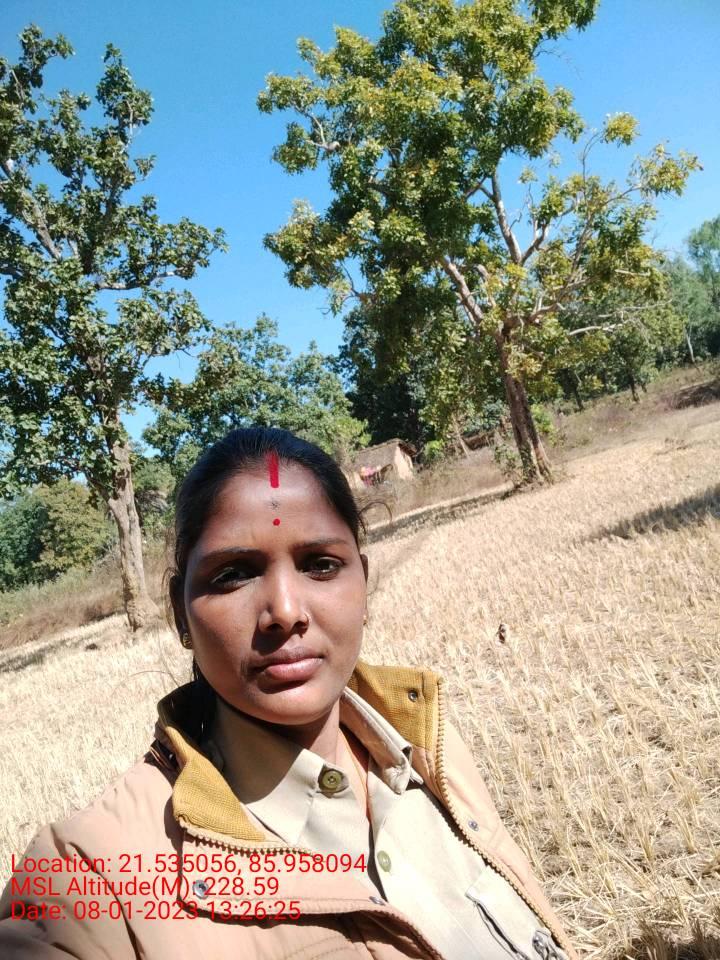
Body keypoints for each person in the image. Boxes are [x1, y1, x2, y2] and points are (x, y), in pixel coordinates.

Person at [0, 427, 577, 959]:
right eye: (234, 574)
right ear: (179, 613)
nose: (285, 611)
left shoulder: (427, 746)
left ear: (363, 582)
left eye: (320, 564)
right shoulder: (91, 873)